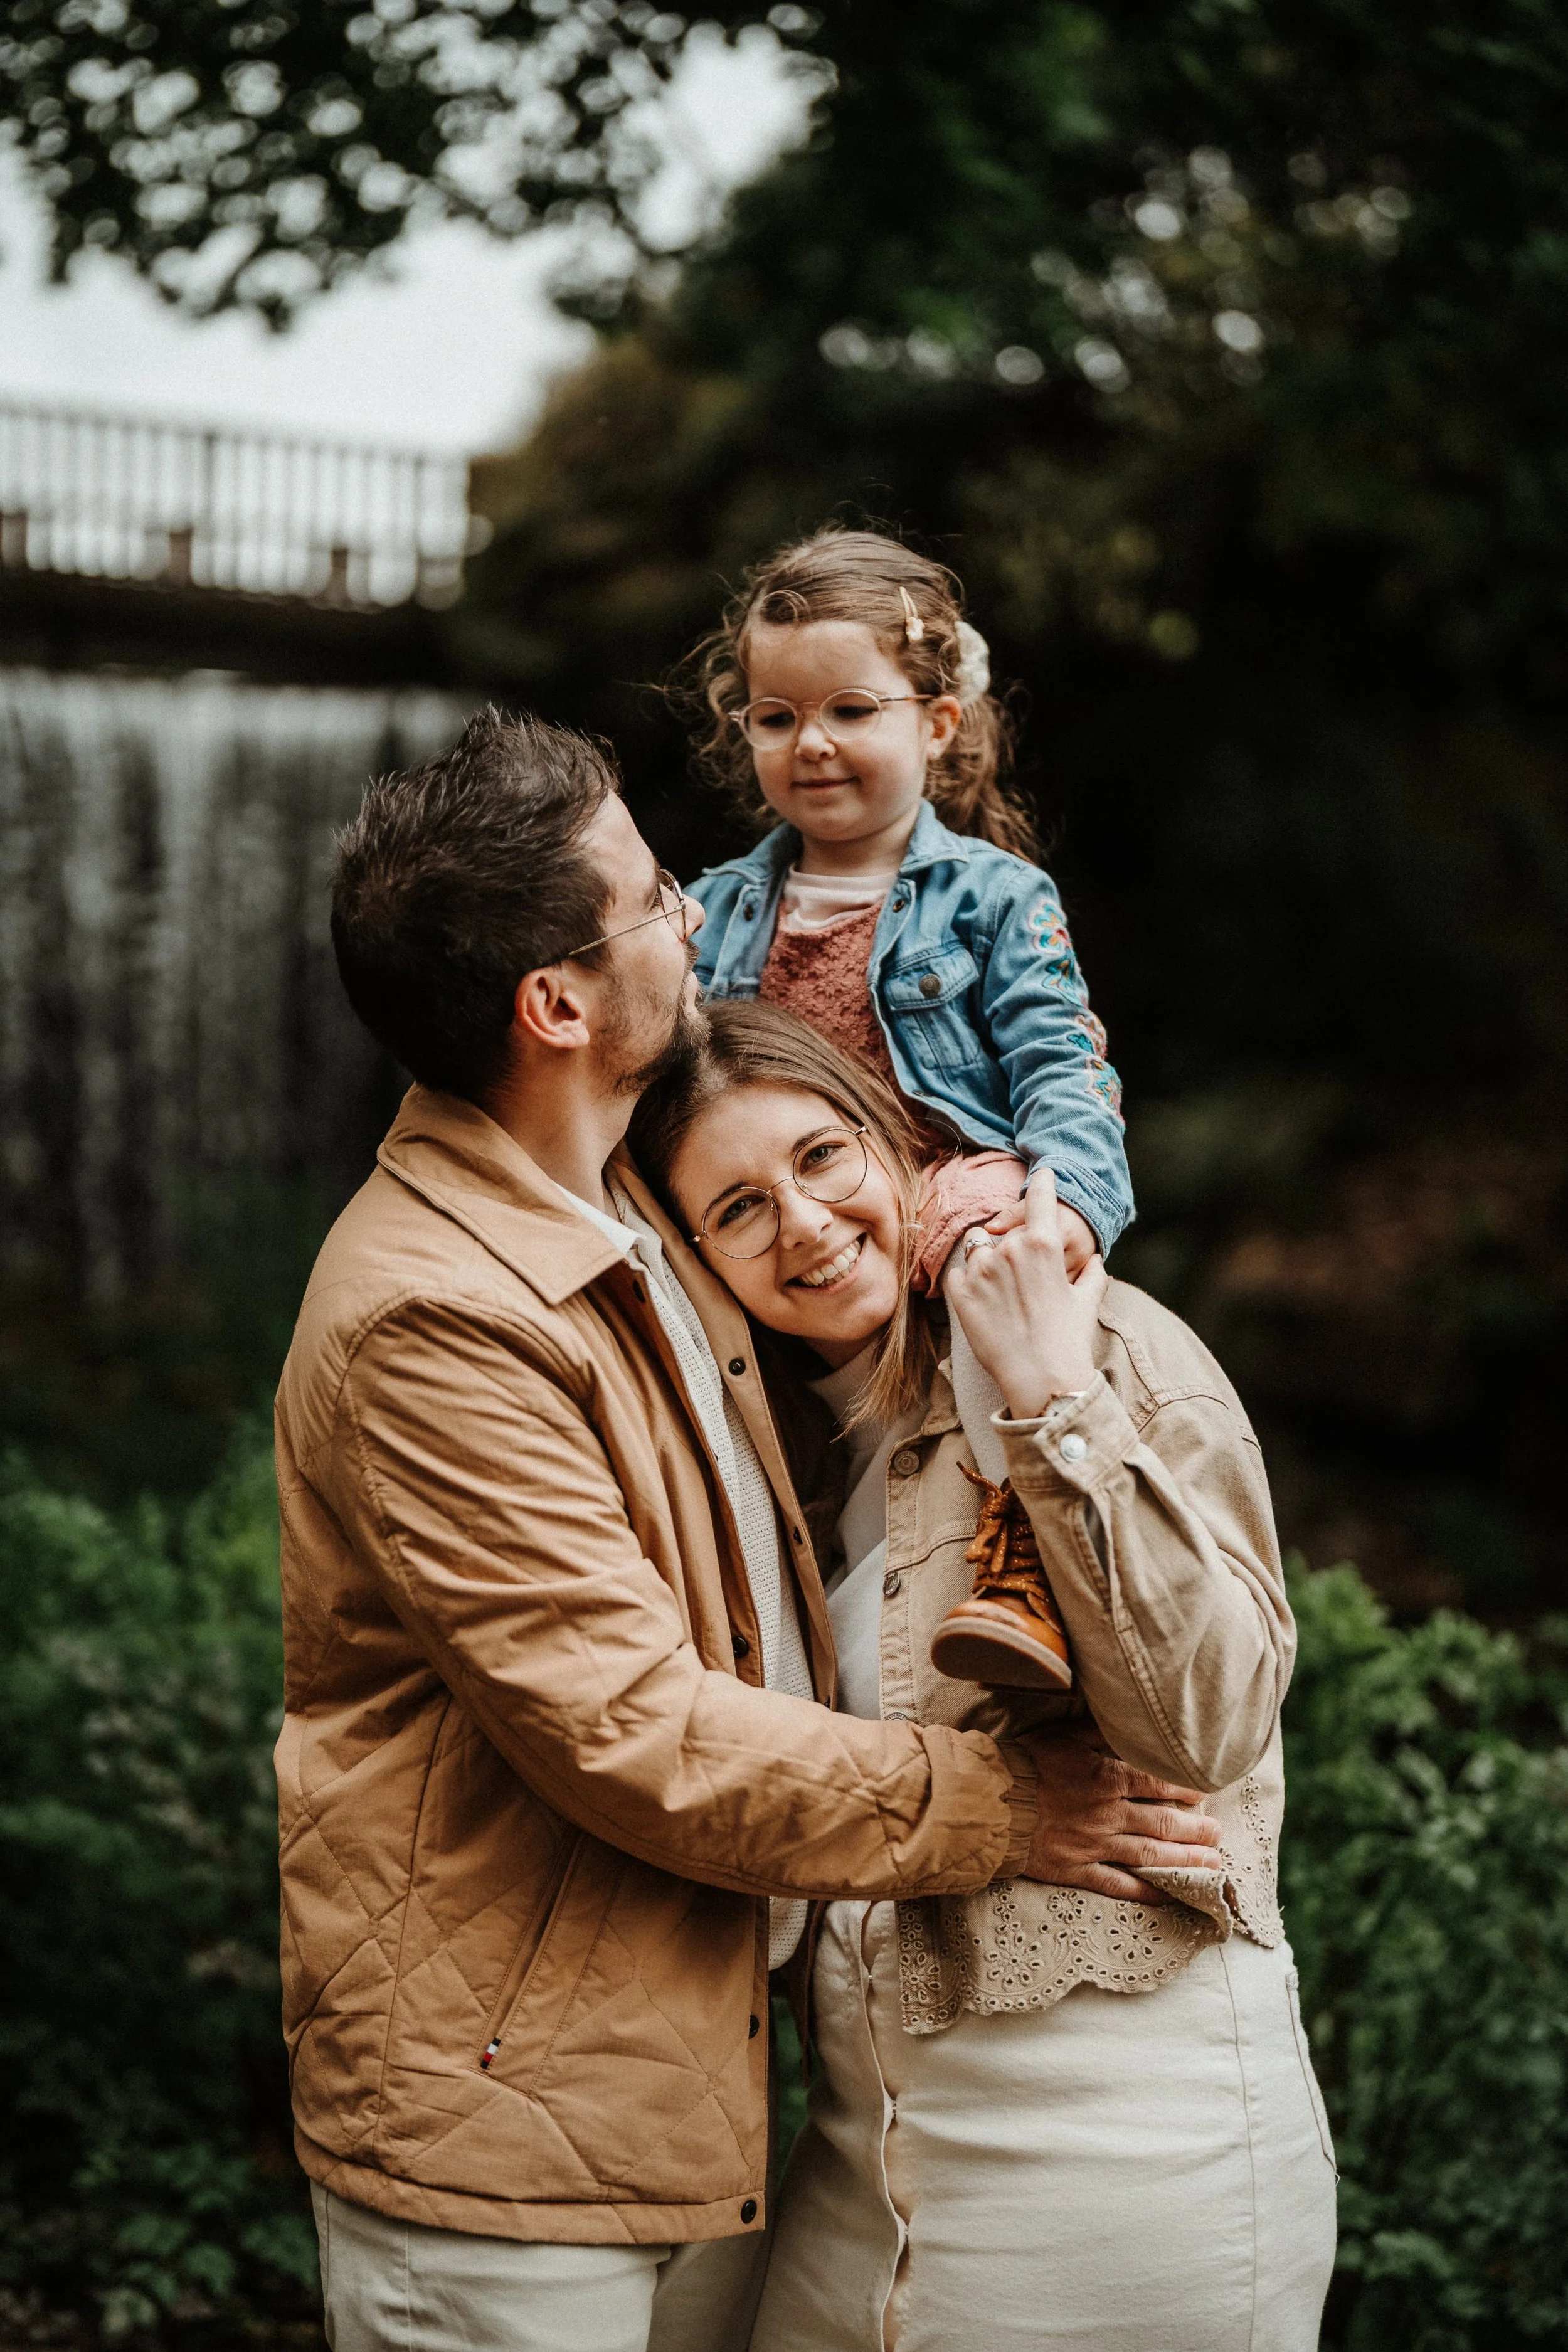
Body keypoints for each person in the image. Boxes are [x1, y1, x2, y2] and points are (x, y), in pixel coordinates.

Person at [274, 709, 1224, 2352]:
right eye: (648, 895)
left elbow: (846, 1148)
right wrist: (1005, 1806)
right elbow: (631, 1731)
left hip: (670, 2087)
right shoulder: (435, 1314)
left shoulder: (627, 1215)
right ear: (554, 1001)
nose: (696, 914)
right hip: (508, 2137)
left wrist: (983, 1216)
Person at [630, 999, 1340, 2352]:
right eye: (734, 1209)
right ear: (698, 1258)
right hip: (863, 2145)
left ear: (898, 1144)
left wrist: (1045, 1401)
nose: (801, 1222)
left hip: (1121, 2135)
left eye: (822, 1156)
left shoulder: (1111, 1339)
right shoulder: (782, 1459)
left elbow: (1209, 1719)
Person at [680, 527, 1131, 1273]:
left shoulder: (997, 899)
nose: (812, 743)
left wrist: (1076, 1201)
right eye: (776, 717)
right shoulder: (707, 912)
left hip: (949, 1217)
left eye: (851, 710)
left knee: (987, 1215)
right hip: (788, 1234)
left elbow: (1061, 1064)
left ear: (937, 725)